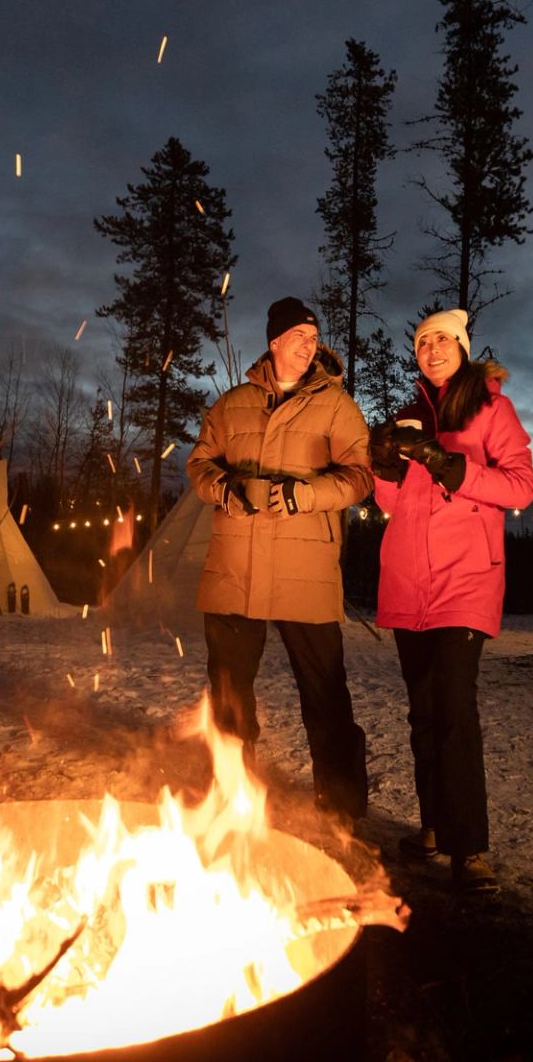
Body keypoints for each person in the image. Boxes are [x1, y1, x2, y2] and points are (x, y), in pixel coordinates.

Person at [186, 297, 375, 821]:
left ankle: (341, 809)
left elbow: (361, 475)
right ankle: (231, 795)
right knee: (228, 690)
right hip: (236, 566)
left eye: (314, 337)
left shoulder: (335, 405)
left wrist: (306, 495)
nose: (310, 344)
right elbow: (199, 465)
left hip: (304, 570)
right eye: (299, 335)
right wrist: (228, 488)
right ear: (274, 341)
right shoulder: (232, 403)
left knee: (325, 692)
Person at [371, 308, 533, 892]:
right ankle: (436, 827)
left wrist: (455, 467)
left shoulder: (492, 408)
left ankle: (472, 848)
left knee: (455, 709)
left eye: (443, 339)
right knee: (423, 712)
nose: (433, 349)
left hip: (466, 578)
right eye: (423, 341)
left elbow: (521, 485)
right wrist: (384, 465)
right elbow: (392, 501)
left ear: (463, 347)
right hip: (408, 578)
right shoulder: (409, 413)